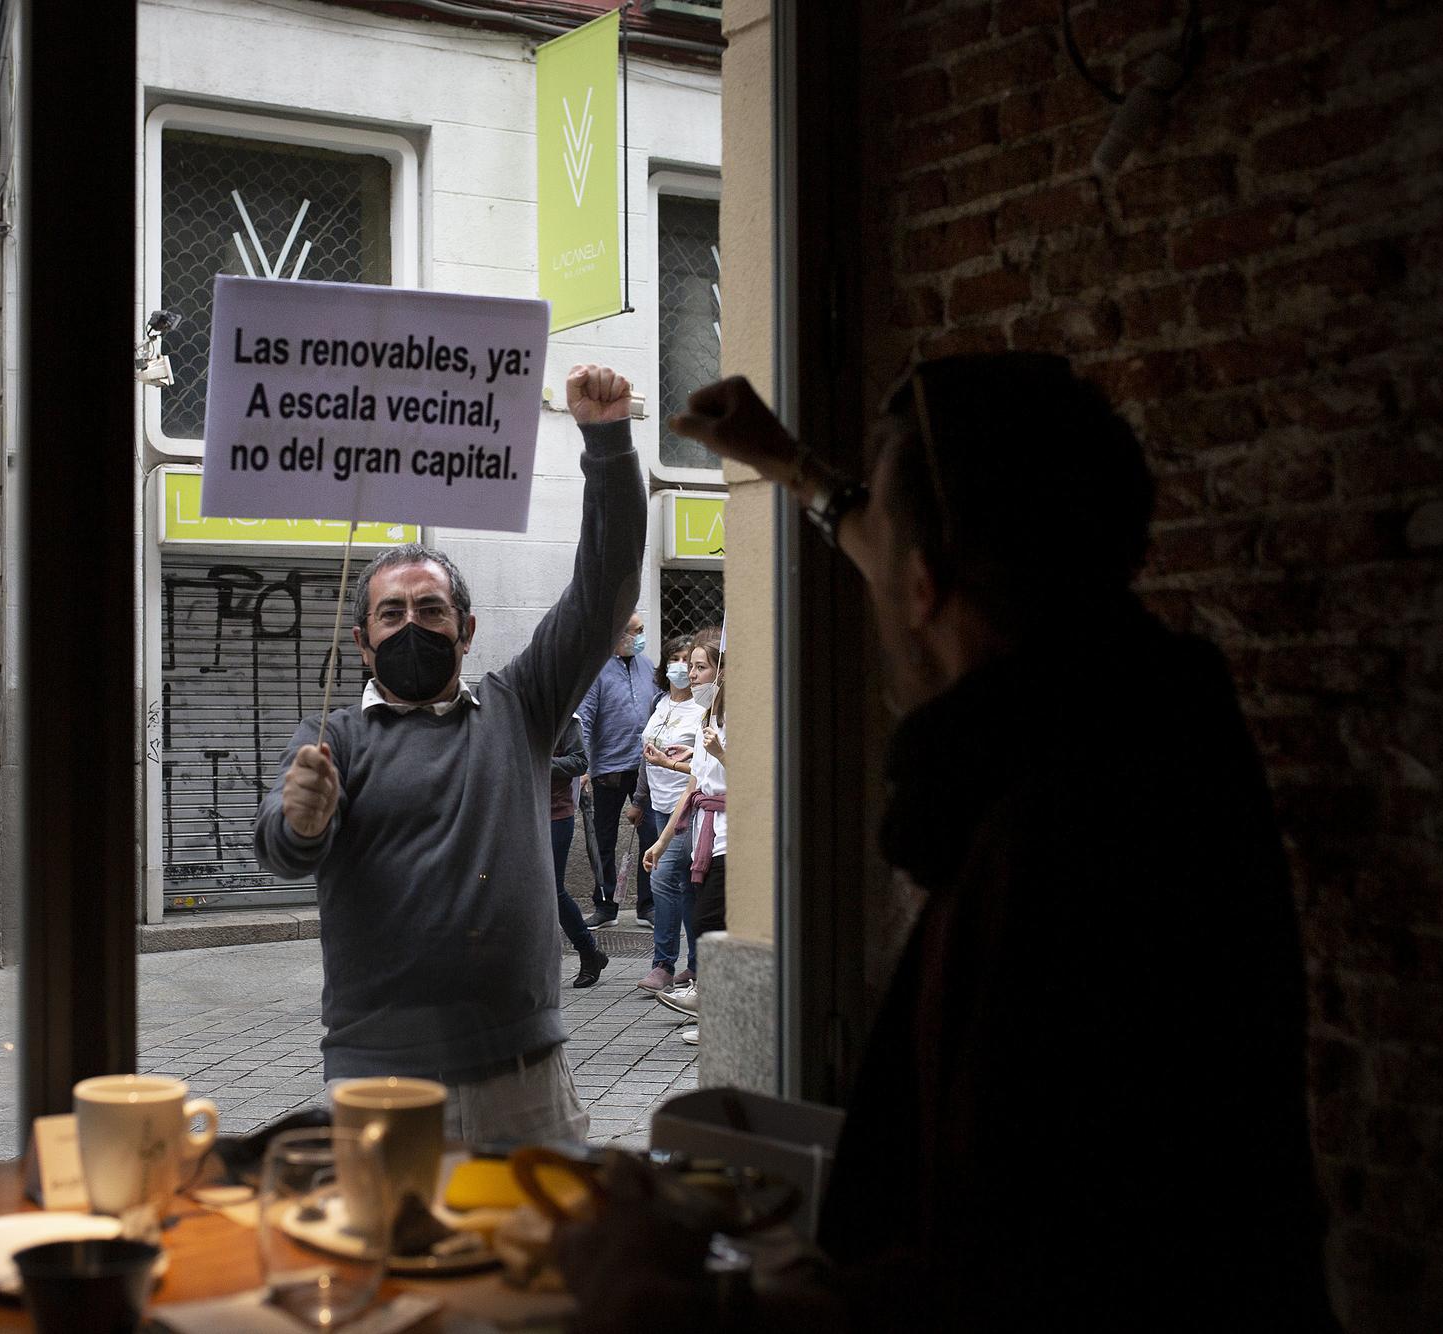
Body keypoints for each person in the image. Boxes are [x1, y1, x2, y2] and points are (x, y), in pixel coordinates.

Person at [559, 353, 1333, 1330]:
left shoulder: (1055, 850)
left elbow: (1035, 1281)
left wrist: (673, 1297)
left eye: (883, 543)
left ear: (920, 584)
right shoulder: (1154, 713)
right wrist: (794, 466)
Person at [253, 364, 647, 1146]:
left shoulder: (520, 706)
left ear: (465, 631)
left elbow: (605, 587)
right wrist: (299, 819)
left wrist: (606, 444)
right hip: (379, 1087)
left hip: (526, 1078)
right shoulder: (331, 739)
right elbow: (282, 847)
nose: (411, 626)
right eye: (391, 614)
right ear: (362, 643)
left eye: (430, 610)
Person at [642, 647, 725, 1043]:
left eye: (700, 667)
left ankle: (711, 1005)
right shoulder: (710, 716)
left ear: (721, 672)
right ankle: (708, 1006)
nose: (691, 674)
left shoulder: (728, 717)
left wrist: (716, 751)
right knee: (706, 917)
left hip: (727, 837)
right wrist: (660, 841)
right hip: (703, 835)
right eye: (688, 666)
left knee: (710, 921)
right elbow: (697, 781)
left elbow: (742, 775)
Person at [631, 634, 709, 993]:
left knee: (662, 880)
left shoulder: (704, 709)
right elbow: (645, 759)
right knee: (686, 886)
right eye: (679, 662)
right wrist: (638, 799)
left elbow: (702, 767)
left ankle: (663, 963)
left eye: (694, 664)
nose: (686, 671)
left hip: (688, 807)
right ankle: (695, 965)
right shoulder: (659, 703)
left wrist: (671, 763)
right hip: (659, 806)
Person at [578, 608, 655, 927]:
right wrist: (582, 765)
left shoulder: (648, 665)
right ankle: (605, 905)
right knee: (603, 839)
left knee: (651, 836)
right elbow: (583, 720)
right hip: (609, 770)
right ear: (616, 635)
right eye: (633, 631)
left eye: (641, 630)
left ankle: (647, 905)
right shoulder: (596, 670)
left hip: (647, 770)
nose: (639, 637)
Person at [552, 713, 609, 988]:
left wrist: (539, 762)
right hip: (519, 809)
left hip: (554, 813)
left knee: (552, 888)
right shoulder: (513, 712)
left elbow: (579, 761)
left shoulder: (567, 719)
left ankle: (588, 952)